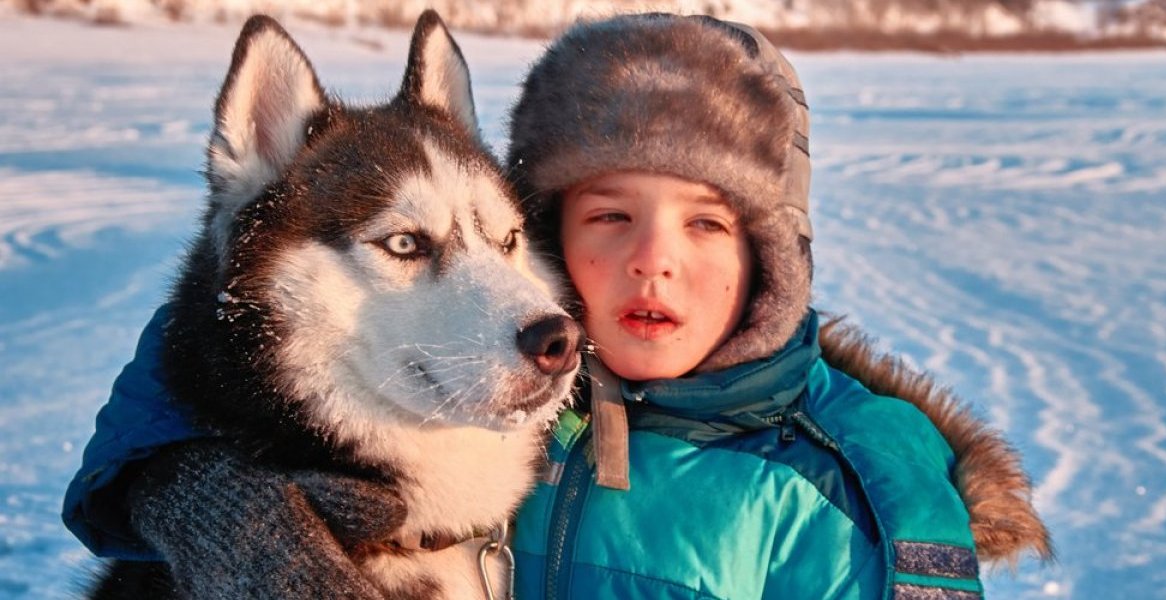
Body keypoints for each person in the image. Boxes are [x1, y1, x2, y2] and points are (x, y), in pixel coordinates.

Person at [64, 13, 1051, 599]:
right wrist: (190, 493)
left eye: (708, 225)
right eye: (610, 216)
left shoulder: (857, 484)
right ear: (551, 237)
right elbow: (218, 342)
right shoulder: (538, 396)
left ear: (770, 256)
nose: (653, 263)